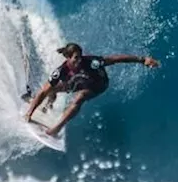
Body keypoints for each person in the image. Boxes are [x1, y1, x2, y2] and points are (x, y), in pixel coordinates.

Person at [24, 42, 160, 136]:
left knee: (80, 97)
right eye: (76, 58)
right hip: (78, 81)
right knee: (51, 90)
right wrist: (29, 113)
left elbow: (115, 59)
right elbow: (44, 90)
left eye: (80, 56)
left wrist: (142, 60)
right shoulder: (61, 71)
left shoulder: (91, 63)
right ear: (67, 58)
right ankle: (47, 106)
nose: (79, 60)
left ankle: (56, 129)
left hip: (98, 84)